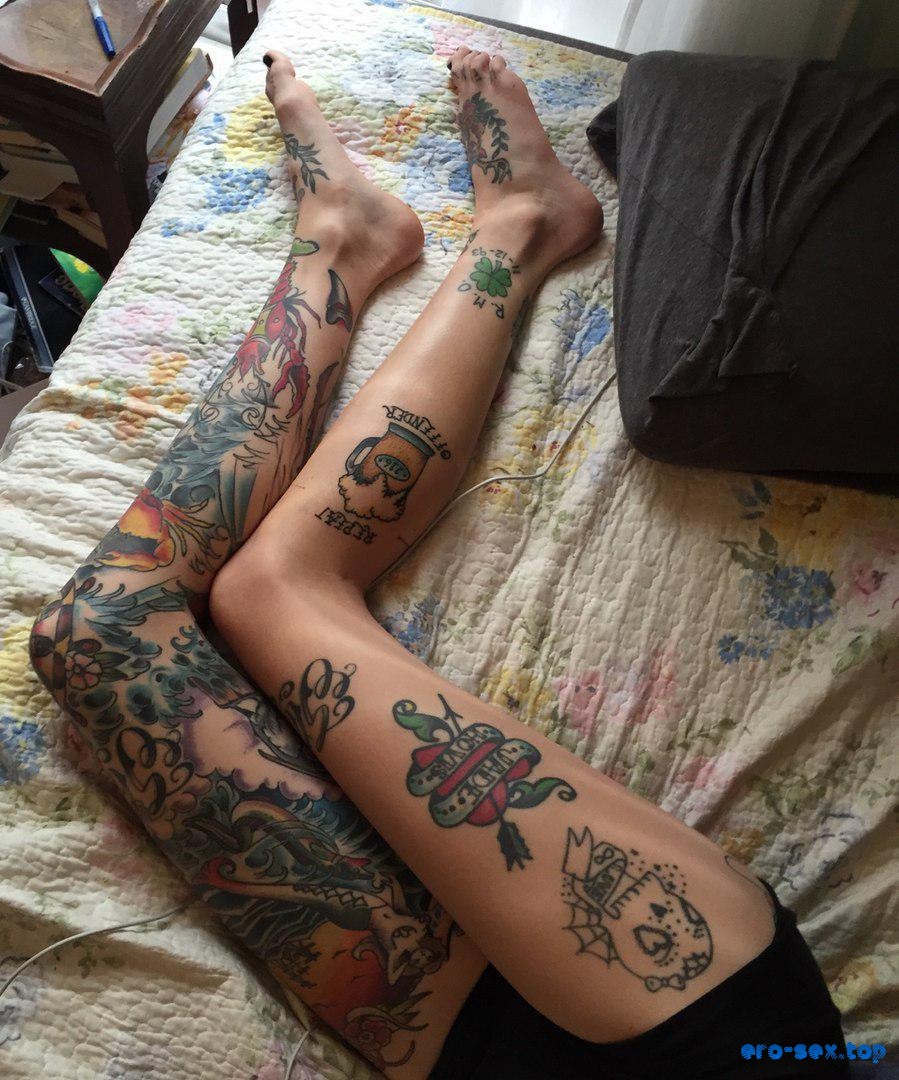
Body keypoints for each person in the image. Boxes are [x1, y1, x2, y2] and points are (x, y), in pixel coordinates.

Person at [30, 47, 846, 1078]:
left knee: (95, 637)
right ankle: (499, 229)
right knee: (269, 592)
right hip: (701, 1039)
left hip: (475, 1049)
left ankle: (358, 240)